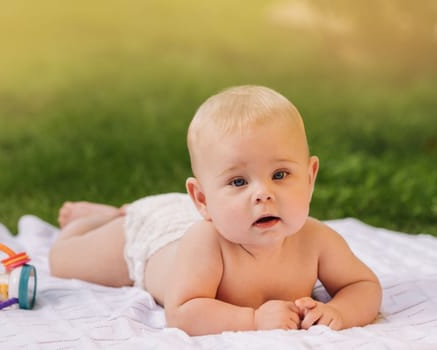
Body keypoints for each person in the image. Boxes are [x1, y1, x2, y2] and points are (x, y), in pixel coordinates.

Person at [49, 85, 382, 335]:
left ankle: (117, 211)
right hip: (152, 236)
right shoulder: (205, 242)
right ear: (203, 200)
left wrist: (339, 312)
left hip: (189, 214)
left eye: (280, 175)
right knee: (61, 259)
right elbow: (183, 311)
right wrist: (252, 319)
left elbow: (363, 286)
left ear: (309, 178)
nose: (263, 194)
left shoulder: (316, 239)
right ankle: (103, 217)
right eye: (239, 182)